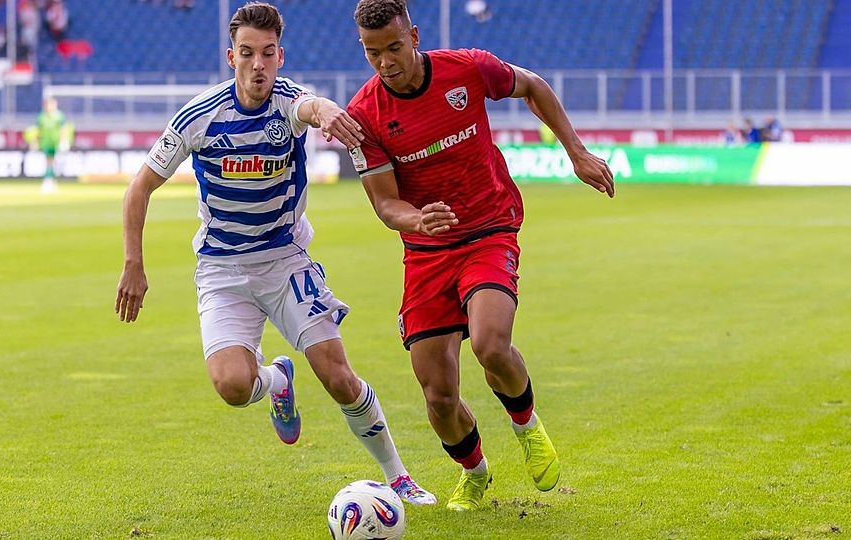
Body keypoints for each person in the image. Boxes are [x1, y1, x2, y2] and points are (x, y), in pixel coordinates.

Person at [114, 2, 435, 506]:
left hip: (285, 261)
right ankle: (275, 379)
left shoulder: (288, 103)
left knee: (337, 377)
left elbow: (311, 106)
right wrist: (134, 263)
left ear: (280, 56)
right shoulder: (197, 118)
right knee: (233, 387)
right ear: (230, 56)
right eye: (247, 54)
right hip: (221, 269)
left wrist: (326, 111)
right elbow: (139, 188)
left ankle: (398, 476)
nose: (257, 65)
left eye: (267, 54)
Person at [347, 0, 614, 511]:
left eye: (394, 47)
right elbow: (385, 204)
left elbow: (532, 86)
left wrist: (576, 151)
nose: (386, 62)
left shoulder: (467, 69)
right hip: (426, 252)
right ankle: (474, 471)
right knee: (438, 396)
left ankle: (528, 427)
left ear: (415, 35)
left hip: (488, 227)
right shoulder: (365, 115)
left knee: (491, 344)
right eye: (372, 52)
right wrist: (416, 219)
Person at [25, 96, 73, 193]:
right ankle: (49, 181)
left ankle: (50, 181)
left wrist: (63, 141)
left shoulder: (59, 116)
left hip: (56, 142)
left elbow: (63, 129)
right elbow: (37, 130)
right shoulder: (42, 117)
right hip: (46, 143)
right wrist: (35, 141)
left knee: (53, 162)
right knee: (48, 162)